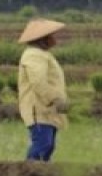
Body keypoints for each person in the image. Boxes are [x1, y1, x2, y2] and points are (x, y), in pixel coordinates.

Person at [17, 18, 68, 162]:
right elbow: (38, 82)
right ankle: (29, 174)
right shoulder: (33, 55)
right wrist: (55, 99)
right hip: (39, 109)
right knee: (43, 145)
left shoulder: (43, 55)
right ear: (43, 39)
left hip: (48, 110)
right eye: (51, 36)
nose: (54, 39)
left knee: (48, 146)